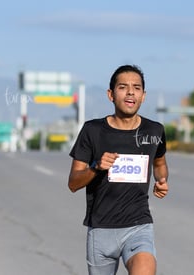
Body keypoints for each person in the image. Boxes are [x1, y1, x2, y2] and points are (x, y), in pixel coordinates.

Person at [68, 64, 169, 275]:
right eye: (123, 87)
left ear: (143, 96)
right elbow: (73, 183)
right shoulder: (92, 130)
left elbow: (159, 163)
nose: (131, 91)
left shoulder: (154, 131)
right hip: (101, 230)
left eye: (137, 87)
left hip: (138, 226)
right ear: (111, 94)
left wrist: (161, 180)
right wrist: (96, 167)